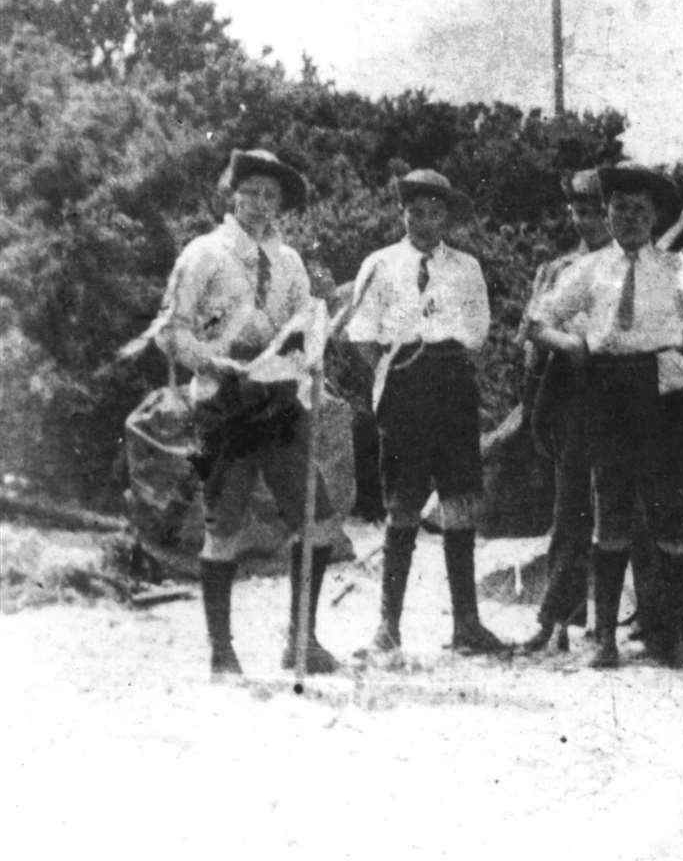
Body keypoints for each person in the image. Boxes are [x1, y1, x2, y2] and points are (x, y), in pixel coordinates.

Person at [527, 163, 683, 668]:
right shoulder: (587, 270)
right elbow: (536, 322)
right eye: (620, 208)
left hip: (662, 396)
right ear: (607, 213)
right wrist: (573, 344)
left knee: (670, 513)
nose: (629, 218)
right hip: (607, 392)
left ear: (655, 217)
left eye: (640, 210)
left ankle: (672, 635)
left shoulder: (677, 268)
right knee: (612, 513)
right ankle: (604, 638)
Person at [154, 148, 339, 679]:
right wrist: (209, 361)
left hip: (278, 400)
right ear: (231, 194)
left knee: (318, 520)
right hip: (224, 401)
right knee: (225, 527)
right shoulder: (204, 254)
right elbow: (171, 330)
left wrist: (308, 351)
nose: (261, 204)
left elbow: (305, 321)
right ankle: (222, 652)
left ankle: (301, 639)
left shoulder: (290, 262)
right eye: (252, 192)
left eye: (271, 196)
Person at [346, 169, 509, 658]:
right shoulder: (379, 264)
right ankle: (388, 627)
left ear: (447, 216)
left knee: (459, 502)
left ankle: (467, 624)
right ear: (403, 213)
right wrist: (394, 376)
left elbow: (477, 332)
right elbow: (362, 333)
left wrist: (443, 368)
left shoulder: (467, 268)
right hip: (403, 389)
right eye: (415, 211)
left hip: (452, 385)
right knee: (402, 503)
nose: (424, 221)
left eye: (434, 211)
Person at [516, 170, 613, 654]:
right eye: (580, 210)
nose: (589, 220)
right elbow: (531, 338)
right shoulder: (557, 268)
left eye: (597, 210)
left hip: (618, 385)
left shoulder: (628, 262)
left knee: (618, 504)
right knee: (570, 506)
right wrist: (533, 399)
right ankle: (559, 619)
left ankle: (621, 620)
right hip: (570, 388)